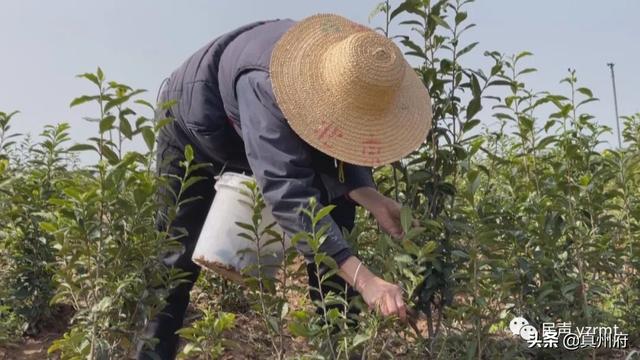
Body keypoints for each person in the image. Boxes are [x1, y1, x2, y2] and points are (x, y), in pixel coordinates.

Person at [138, 13, 432, 359]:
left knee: (337, 217)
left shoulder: (342, 76)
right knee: (176, 257)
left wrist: (372, 197)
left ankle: (338, 345)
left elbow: (343, 142)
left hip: (255, 121)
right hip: (192, 128)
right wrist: (366, 281)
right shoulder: (268, 83)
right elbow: (289, 192)